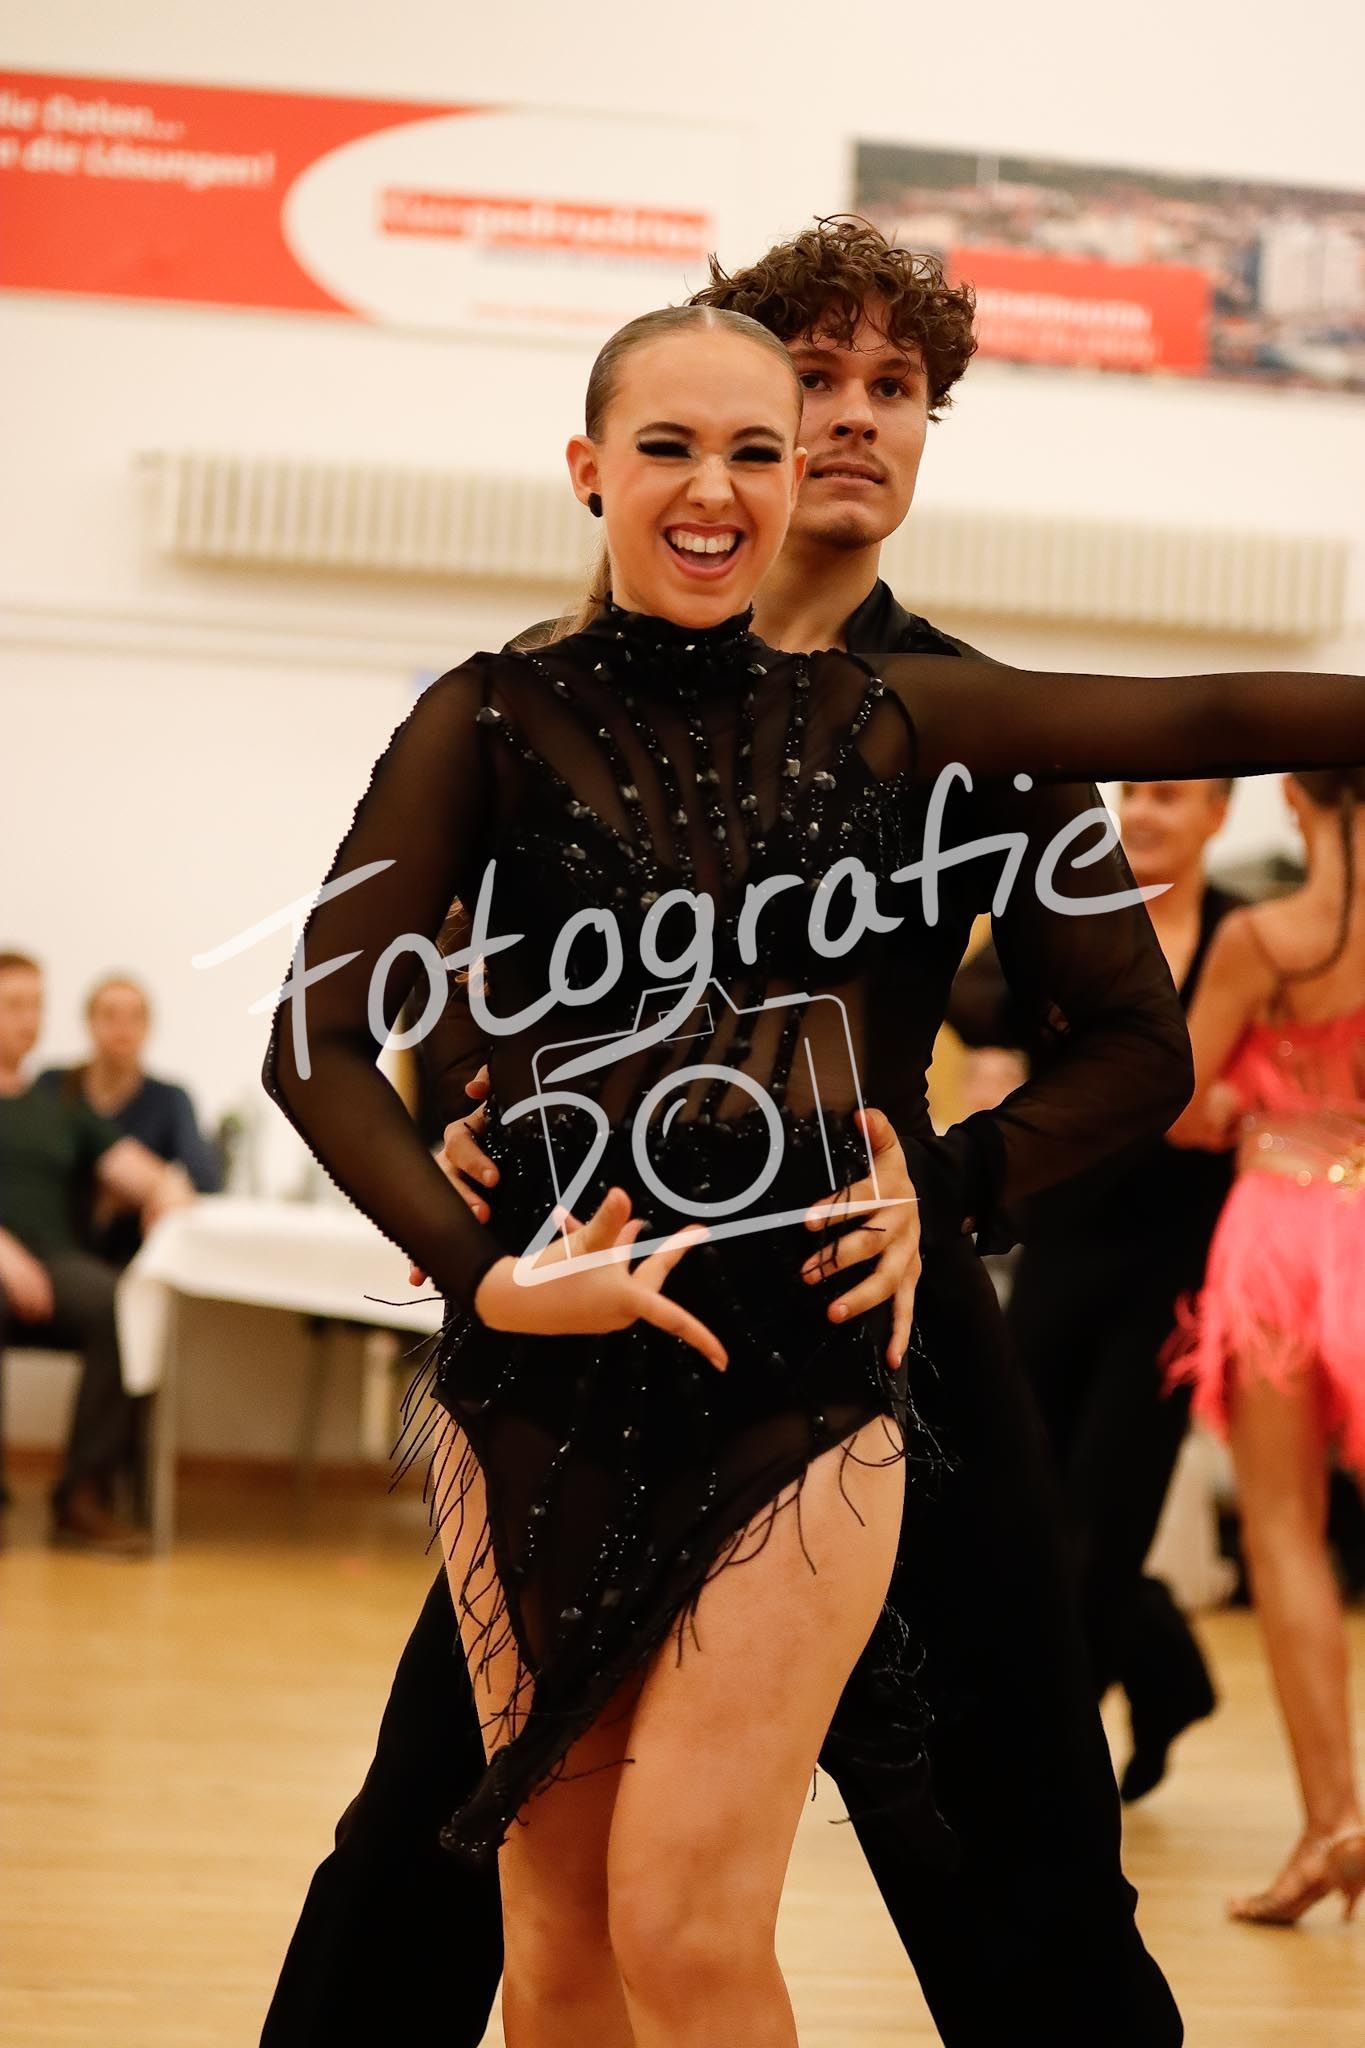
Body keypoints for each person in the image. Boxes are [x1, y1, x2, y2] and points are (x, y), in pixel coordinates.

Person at [260, 291, 1365, 2045]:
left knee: (987, 1841)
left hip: (855, 1321)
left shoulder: (937, 712)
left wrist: (944, 1179)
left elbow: (1143, 996)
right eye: (801, 387)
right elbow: (406, 1002)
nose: (840, 422)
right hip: (567, 1340)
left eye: (883, 389)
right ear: (599, 462)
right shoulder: (509, 704)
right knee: (464, 1857)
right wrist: (475, 1146)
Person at [955, 779, 1238, 1800]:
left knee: (1107, 1519)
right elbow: (972, 991)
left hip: (1176, 1270)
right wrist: (1006, 1052)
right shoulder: (1082, 912)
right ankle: (1165, 1669)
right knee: (1022, 1501)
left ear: (1217, 814)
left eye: (1170, 796)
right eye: (1133, 795)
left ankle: (1043, 1779)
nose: (1144, 814)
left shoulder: (1243, 934)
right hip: (1061, 1248)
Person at [1168, 768, 1365, 1925]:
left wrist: (1247, 1107)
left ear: (1292, 791)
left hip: (1284, 1225)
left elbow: (1178, 1100)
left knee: (1285, 1528)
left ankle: (1332, 1823)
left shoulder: (1264, 936)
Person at [0, 951, 193, 1551]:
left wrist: (167, 1193)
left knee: (120, 1303)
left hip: (56, 1263)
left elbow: (147, 1174)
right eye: (13, 1005)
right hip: (5, 1262)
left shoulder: (59, 1105)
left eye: (37, 1005)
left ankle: (82, 1499)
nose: (29, 1019)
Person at [37, 973, 223, 1269]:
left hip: (136, 1250)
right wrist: (104, 1190)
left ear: (148, 1027)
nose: (123, 1029)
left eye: (135, 1017)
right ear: (89, 1023)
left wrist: (152, 1185)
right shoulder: (54, 1087)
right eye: (110, 1016)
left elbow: (204, 1179)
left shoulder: (170, 1098)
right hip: (58, 1244)